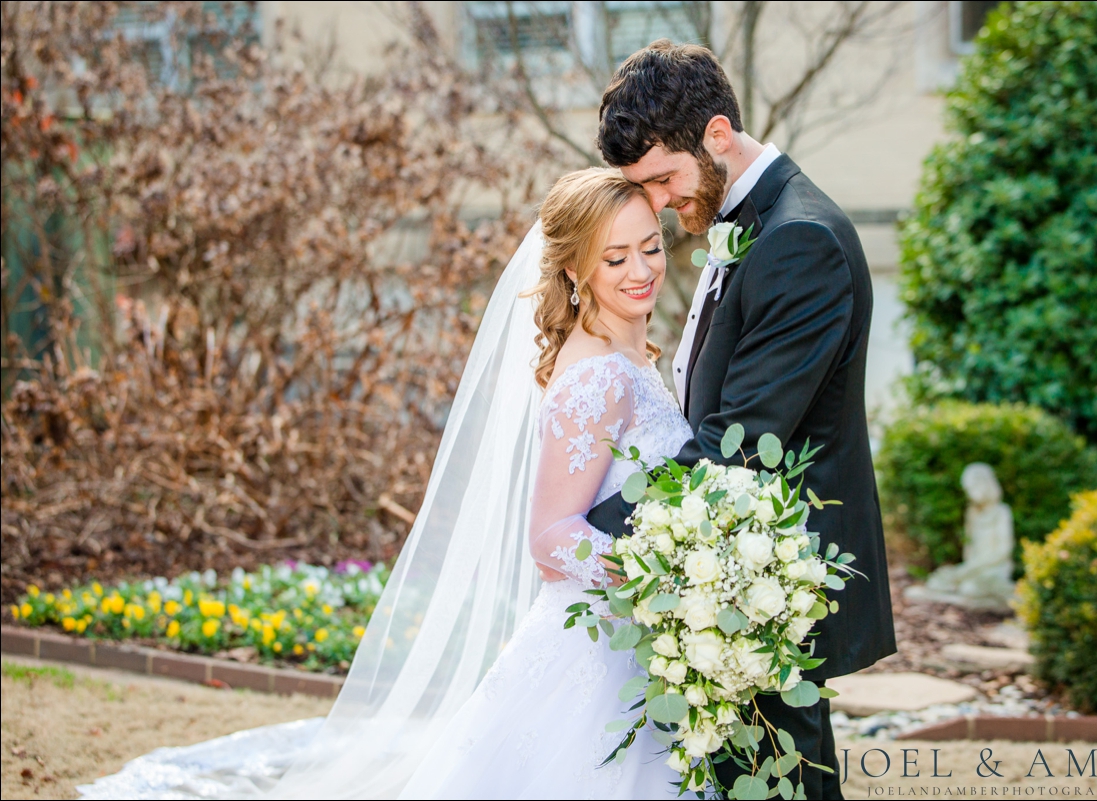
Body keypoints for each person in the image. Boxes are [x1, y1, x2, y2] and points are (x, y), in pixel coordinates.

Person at [78, 170, 695, 800]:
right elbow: (550, 536)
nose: (640, 269)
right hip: (598, 646)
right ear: (574, 269)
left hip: (631, 639)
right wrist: (658, 574)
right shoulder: (600, 379)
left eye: (651, 246)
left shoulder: (628, 357)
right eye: (614, 257)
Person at [585, 40, 898, 800]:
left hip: (768, 591)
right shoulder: (749, 222)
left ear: (718, 136)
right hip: (724, 576)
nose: (657, 202)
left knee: (780, 782)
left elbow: (741, 441)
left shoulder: (799, 240)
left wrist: (592, 528)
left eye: (663, 178)